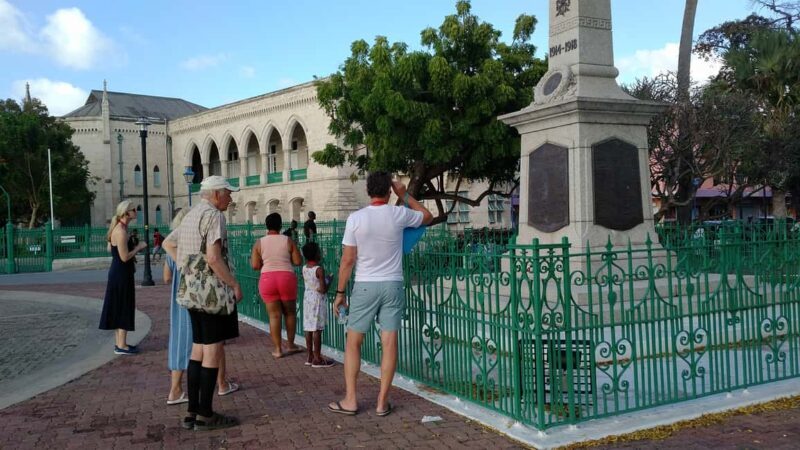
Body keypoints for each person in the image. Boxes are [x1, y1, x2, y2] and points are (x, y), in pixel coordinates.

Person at [328, 172, 432, 417]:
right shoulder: (398, 213)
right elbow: (427, 217)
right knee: (389, 343)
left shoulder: (356, 218)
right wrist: (404, 194)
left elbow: (348, 260)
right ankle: (382, 403)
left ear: (367, 191)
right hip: (393, 284)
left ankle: (351, 400)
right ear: (388, 192)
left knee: (354, 343)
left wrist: (340, 292)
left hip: (365, 285)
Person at [163, 175, 242, 431]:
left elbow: (168, 242)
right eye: (228, 193)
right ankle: (205, 413)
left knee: (197, 349)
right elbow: (213, 257)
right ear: (217, 193)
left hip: (190, 293)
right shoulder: (213, 216)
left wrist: (186, 267)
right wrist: (233, 284)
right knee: (212, 350)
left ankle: (193, 411)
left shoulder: (191, 215)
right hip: (211, 295)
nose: (231, 198)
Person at [251, 212, 303, 358]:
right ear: (280, 225)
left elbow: (255, 265)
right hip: (286, 277)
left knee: (274, 316)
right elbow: (298, 261)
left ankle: (278, 349)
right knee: (290, 313)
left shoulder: (259, 243)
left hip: (267, 279)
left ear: (266, 226)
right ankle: (291, 345)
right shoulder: (288, 241)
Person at [99, 200, 148, 355]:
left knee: (121, 304)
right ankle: (121, 346)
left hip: (119, 272)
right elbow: (124, 257)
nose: (136, 212)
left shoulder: (120, 228)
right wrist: (138, 247)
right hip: (121, 273)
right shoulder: (120, 231)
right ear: (126, 213)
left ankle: (121, 343)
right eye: (134, 210)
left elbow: (109, 249)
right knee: (123, 305)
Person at [301, 241, 334, 368]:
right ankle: (317, 357)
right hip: (317, 300)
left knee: (308, 328)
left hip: (307, 299)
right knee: (317, 329)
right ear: (316, 255)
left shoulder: (305, 268)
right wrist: (329, 280)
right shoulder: (319, 269)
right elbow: (322, 289)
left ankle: (309, 355)